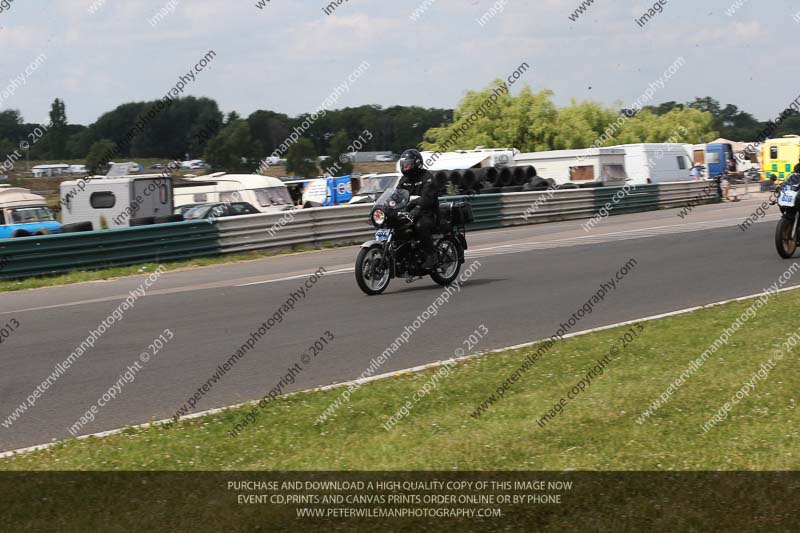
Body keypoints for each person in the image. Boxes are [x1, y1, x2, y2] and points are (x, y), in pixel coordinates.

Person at [397, 148, 439, 270]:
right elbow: (396, 195)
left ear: (417, 163)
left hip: (428, 214)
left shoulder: (427, 178)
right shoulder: (403, 180)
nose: (405, 167)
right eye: (403, 165)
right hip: (411, 213)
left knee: (420, 226)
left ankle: (432, 255)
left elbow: (427, 199)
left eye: (408, 164)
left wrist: (416, 205)